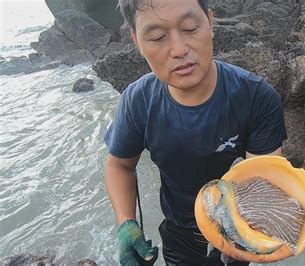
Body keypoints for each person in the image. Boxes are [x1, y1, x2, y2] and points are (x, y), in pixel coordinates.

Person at [103, 0, 287, 264]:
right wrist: (126, 224)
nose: (179, 50)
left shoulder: (256, 98)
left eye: (190, 28)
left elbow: (262, 185)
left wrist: (249, 239)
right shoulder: (138, 100)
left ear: (210, 23)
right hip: (179, 235)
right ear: (136, 42)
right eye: (157, 37)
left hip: (237, 232)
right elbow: (119, 165)